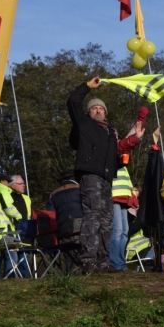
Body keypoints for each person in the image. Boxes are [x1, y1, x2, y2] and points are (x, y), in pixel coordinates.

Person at [67, 77, 144, 272]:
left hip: (107, 177)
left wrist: (134, 139)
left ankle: (103, 261)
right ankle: (88, 259)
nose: (98, 110)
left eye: (101, 108)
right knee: (92, 214)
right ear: (88, 112)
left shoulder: (111, 132)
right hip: (90, 173)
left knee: (107, 219)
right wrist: (86, 87)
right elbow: (73, 101)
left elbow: (117, 155)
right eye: (94, 108)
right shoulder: (84, 124)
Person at [47, 172, 83, 240]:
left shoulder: (52, 195)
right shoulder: (81, 189)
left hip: (62, 229)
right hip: (81, 226)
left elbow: (51, 216)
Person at [9, 175, 32, 278]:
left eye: (24, 183)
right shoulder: (7, 196)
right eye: (20, 184)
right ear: (12, 185)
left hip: (24, 231)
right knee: (12, 258)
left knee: (24, 257)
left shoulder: (26, 198)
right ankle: (12, 278)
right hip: (12, 231)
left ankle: (25, 278)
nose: (24, 185)